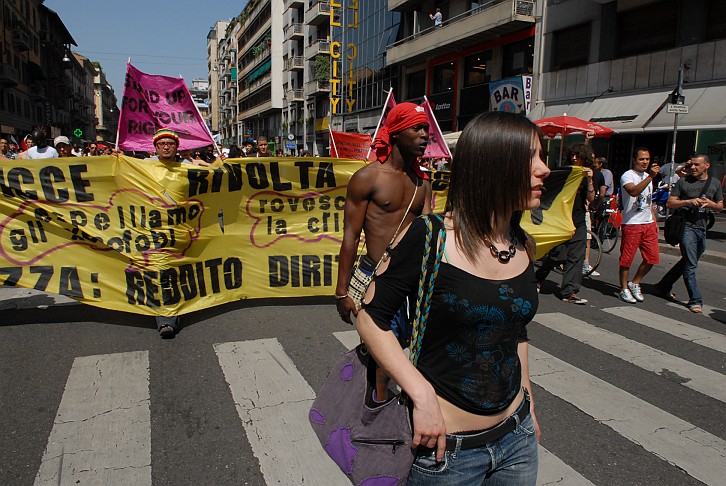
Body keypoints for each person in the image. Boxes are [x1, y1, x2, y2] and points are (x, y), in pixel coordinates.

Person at [356, 111, 548, 484]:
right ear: (493, 166)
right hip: (447, 453)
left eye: (543, 157)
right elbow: (370, 317)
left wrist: (530, 402)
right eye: (532, 159)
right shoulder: (430, 238)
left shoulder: (524, 244)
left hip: (518, 440)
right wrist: (421, 395)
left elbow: (516, 331)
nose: (544, 170)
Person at [336, 102, 433, 330]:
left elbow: (428, 238)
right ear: (397, 133)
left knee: (410, 356)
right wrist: (342, 293)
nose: (425, 136)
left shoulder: (423, 183)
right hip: (376, 277)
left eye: (426, 129)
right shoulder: (367, 178)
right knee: (377, 355)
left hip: (412, 278)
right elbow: (351, 236)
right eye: (417, 128)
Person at [656, 155, 723, 313]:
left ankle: (663, 286)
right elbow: (670, 202)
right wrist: (688, 201)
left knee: (687, 261)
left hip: (702, 226)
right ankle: (695, 300)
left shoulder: (715, 183)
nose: (693, 168)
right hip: (687, 226)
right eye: (691, 165)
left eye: (697, 165)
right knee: (691, 265)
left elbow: (720, 206)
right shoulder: (683, 182)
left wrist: (711, 204)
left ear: (706, 165)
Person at [536, 143, 595, 304]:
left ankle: (569, 291)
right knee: (556, 254)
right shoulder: (566, 172)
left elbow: (591, 198)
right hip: (561, 219)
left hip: (578, 220)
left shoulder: (586, 176)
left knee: (577, 256)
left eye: (578, 155)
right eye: (573, 155)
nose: (575, 158)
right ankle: (537, 278)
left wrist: (589, 180)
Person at [145, 128, 184, 338]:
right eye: (162, 144)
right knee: (164, 272)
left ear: (177, 147)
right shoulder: (143, 168)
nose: (166, 146)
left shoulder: (186, 167)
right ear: (156, 148)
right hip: (157, 231)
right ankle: (166, 319)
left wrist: (221, 164)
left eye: (170, 143)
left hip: (185, 230)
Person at [618, 147, 660, 303]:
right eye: (642, 159)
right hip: (632, 224)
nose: (645, 162)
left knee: (652, 258)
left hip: (647, 223)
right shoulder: (627, 176)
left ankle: (635, 282)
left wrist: (654, 220)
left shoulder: (648, 177)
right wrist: (650, 177)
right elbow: (633, 191)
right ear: (634, 160)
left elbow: (648, 201)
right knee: (626, 260)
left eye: (647, 159)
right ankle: (623, 288)